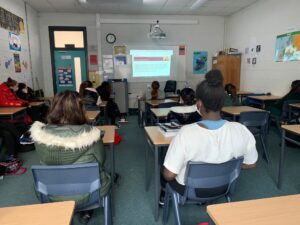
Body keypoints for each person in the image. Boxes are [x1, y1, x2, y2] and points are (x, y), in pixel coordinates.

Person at [160, 69, 258, 204]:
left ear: (199, 104)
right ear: (222, 103)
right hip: (224, 187)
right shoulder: (241, 130)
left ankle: (163, 200)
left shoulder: (185, 133)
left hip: (190, 190)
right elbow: (251, 163)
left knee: (165, 167)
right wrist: (223, 168)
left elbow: (169, 175)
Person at [30, 90, 111, 223]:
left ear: (53, 108)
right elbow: (101, 161)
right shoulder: (92, 135)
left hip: (50, 194)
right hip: (90, 194)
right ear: (80, 109)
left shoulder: (40, 136)